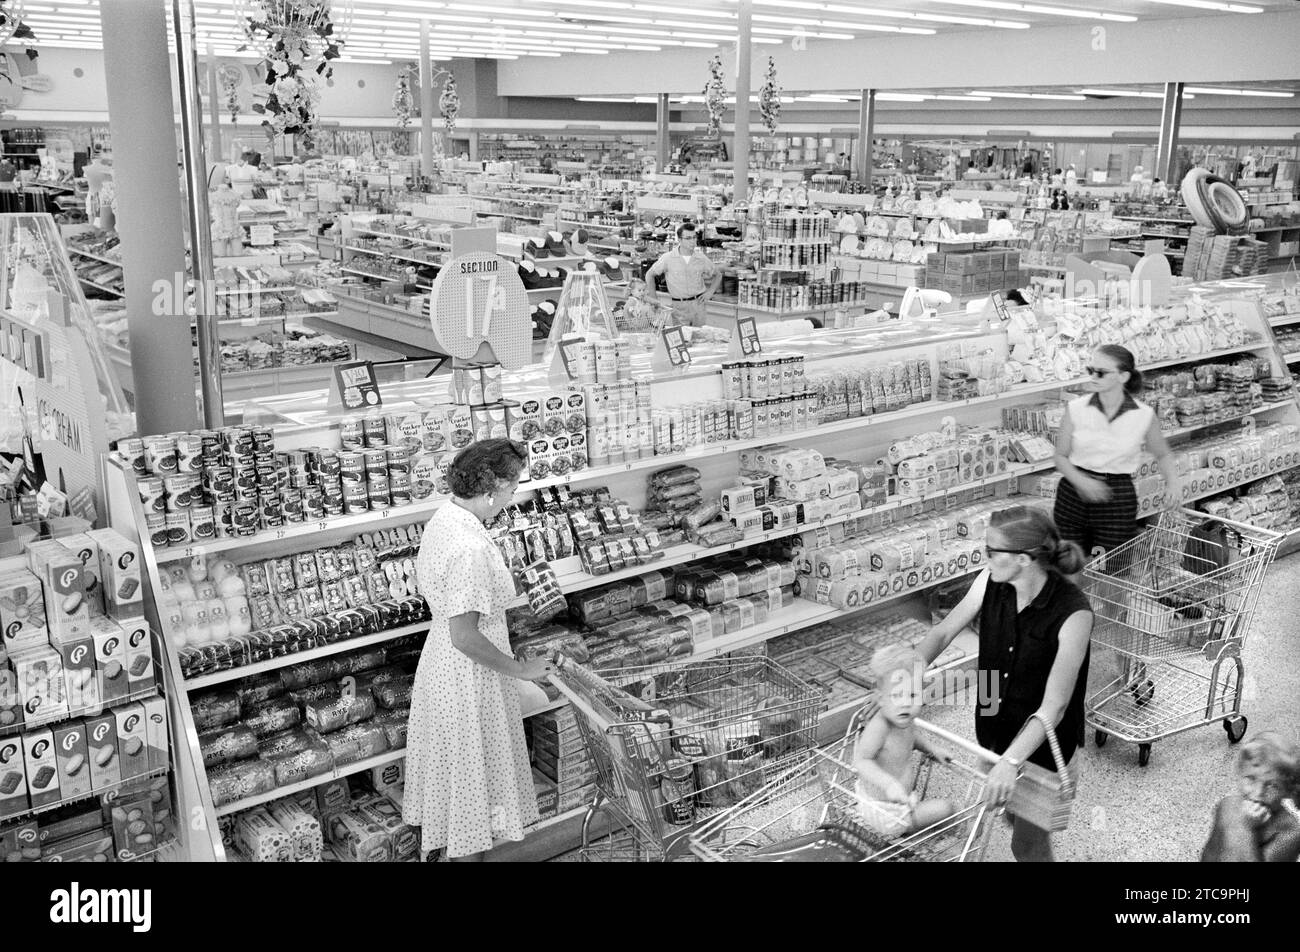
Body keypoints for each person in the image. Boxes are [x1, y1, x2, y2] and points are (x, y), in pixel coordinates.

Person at [402, 439, 555, 861]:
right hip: (469, 681)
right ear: (493, 486)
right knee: (471, 804)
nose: (513, 495)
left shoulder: (447, 517)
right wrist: (521, 670)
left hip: (444, 671)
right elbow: (465, 635)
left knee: (460, 795)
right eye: (513, 486)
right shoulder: (468, 546)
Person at [918, 506, 1093, 862]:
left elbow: (1054, 706)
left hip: (1041, 750)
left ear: (1025, 559)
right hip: (994, 729)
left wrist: (1011, 762)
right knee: (1010, 813)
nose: (986, 558)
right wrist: (901, 679)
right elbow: (943, 632)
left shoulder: (1074, 613)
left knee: (1026, 846)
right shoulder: (991, 581)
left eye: (992, 551)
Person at [1052, 344, 1180, 570]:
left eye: (1101, 372)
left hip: (1117, 496)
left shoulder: (1143, 415)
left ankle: (1113, 606)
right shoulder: (1076, 408)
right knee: (1067, 570)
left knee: (1114, 571)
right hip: (1072, 494)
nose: (1093, 376)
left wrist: (1173, 484)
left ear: (1123, 376)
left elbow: (1162, 454)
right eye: (1091, 370)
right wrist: (1082, 481)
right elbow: (1060, 456)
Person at [852, 645, 955, 838]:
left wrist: (932, 748)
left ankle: (921, 827)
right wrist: (889, 784)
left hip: (898, 803)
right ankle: (940, 835)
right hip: (884, 814)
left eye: (913, 695)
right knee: (945, 808)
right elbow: (861, 761)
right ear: (880, 699)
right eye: (897, 695)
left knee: (936, 809)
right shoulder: (879, 727)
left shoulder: (903, 718)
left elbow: (911, 737)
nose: (906, 702)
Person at [1201, 733, 1300, 862]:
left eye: (1272, 785)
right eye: (1251, 778)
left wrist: (1245, 827)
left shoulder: (1290, 832)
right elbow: (1209, 855)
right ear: (1240, 772)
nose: (1258, 793)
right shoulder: (1227, 805)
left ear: (1287, 790)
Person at [644, 222, 721, 327]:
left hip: (698, 305)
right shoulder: (668, 258)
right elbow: (649, 275)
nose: (693, 241)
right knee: (681, 339)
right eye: (688, 238)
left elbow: (718, 275)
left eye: (694, 237)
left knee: (700, 339)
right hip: (679, 307)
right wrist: (654, 299)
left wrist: (710, 292)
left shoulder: (701, 258)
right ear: (680, 240)